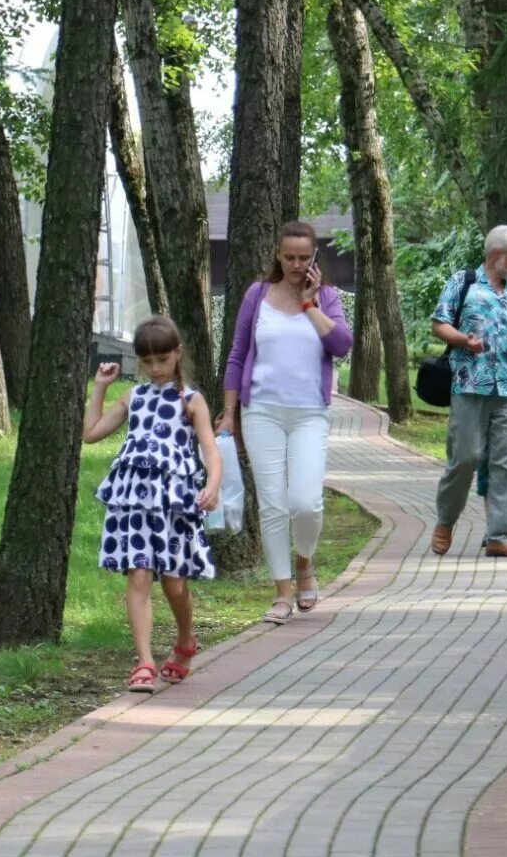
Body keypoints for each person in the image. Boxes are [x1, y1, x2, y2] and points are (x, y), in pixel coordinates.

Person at [218, 220, 354, 623]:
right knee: (274, 504)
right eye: (289, 257)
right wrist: (229, 414)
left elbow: (342, 345)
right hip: (261, 410)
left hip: (309, 413)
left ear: (314, 258)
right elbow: (237, 355)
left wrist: (310, 304)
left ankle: (303, 562)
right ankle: (280, 592)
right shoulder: (257, 295)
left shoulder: (327, 297)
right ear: (278, 255)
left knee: (306, 502)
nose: (296, 265)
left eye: (303, 257)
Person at [84, 316, 223, 693]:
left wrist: (212, 485)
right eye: (147, 362)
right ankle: (144, 661)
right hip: (134, 499)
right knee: (139, 573)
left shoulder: (191, 400)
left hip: (174, 501)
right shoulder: (133, 398)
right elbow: (91, 433)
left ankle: (184, 640)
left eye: (163, 359)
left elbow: (210, 448)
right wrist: (100, 387)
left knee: (175, 586)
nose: (155, 368)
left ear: (178, 354)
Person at [429, 224, 507, 558]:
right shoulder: (462, 283)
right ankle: (446, 520)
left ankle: (501, 536)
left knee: (506, 465)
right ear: (496, 254)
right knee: (464, 459)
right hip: (468, 385)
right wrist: (464, 340)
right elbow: (439, 323)